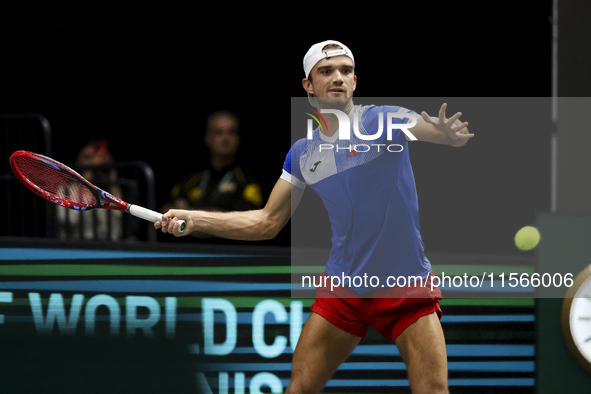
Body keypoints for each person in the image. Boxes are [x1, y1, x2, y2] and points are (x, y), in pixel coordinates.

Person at [155, 40, 473, 393]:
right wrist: (196, 219)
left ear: (355, 81)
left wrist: (446, 135)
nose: (337, 78)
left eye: (345, 71)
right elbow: (267, 222)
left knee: (433, 390)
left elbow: (424, 128)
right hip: (345, 288)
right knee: (300, 389)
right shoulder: (303, 154)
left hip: (405, 285)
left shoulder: (382, 120)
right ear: (308, 85)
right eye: (326, 71)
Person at [161, 110, 263, 239]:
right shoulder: (192, 179)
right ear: (207, 138)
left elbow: (245, 222)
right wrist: (218, 215)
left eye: (231, 132)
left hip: (230, 251)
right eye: (218, 132)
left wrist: (189, 214)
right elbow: (166, 211)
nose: (225, 138)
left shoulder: (247, 180)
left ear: (238, 138)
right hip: (189, 250)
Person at [57, 138, 123, 241]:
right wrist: (84, 187)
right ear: (79, 160)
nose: (92, 162)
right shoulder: (65, 187)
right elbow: (68, 219)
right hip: (75, 243)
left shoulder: (108, 189)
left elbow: (118, 215)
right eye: (87, 157)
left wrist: (111, 178)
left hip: (107, 244)